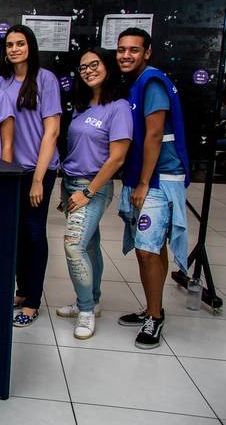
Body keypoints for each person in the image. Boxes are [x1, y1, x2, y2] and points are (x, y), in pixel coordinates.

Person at [115, 28, 190, 349]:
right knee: (152, 247)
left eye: (134, 50)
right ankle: (151, 307)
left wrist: (144, 183)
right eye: (121, 49)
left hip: (158, 179)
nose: (126, 55)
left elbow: (155, 135)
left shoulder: (152, 82)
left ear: (147, 52)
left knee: (147, 250)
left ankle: (155, 317)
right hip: (146, 177)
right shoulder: (138, 83)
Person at [56, 47, 132, 339]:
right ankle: (93, 300)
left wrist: (87, 192)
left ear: (108, 67)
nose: (88, 70)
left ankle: (86, 310)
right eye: (83, 66)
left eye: (94, 64)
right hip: (71, 183)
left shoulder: (119, 107)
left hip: (94, 187)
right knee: (88, 245)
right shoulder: (82, 107)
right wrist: (70, 191)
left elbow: (117, 158)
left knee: (73, 247)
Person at [0, 25, 61, 327]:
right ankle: (22, 291)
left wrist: (38, 178)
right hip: (12, 171)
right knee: (17, 233)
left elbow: (52, 130)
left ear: (30, 47)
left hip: (39, 170)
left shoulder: (45, 80)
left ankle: (33, 301)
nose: (15, 49)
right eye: (10, 45)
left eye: (20, 44)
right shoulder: (1, 82)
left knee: (34, 234)